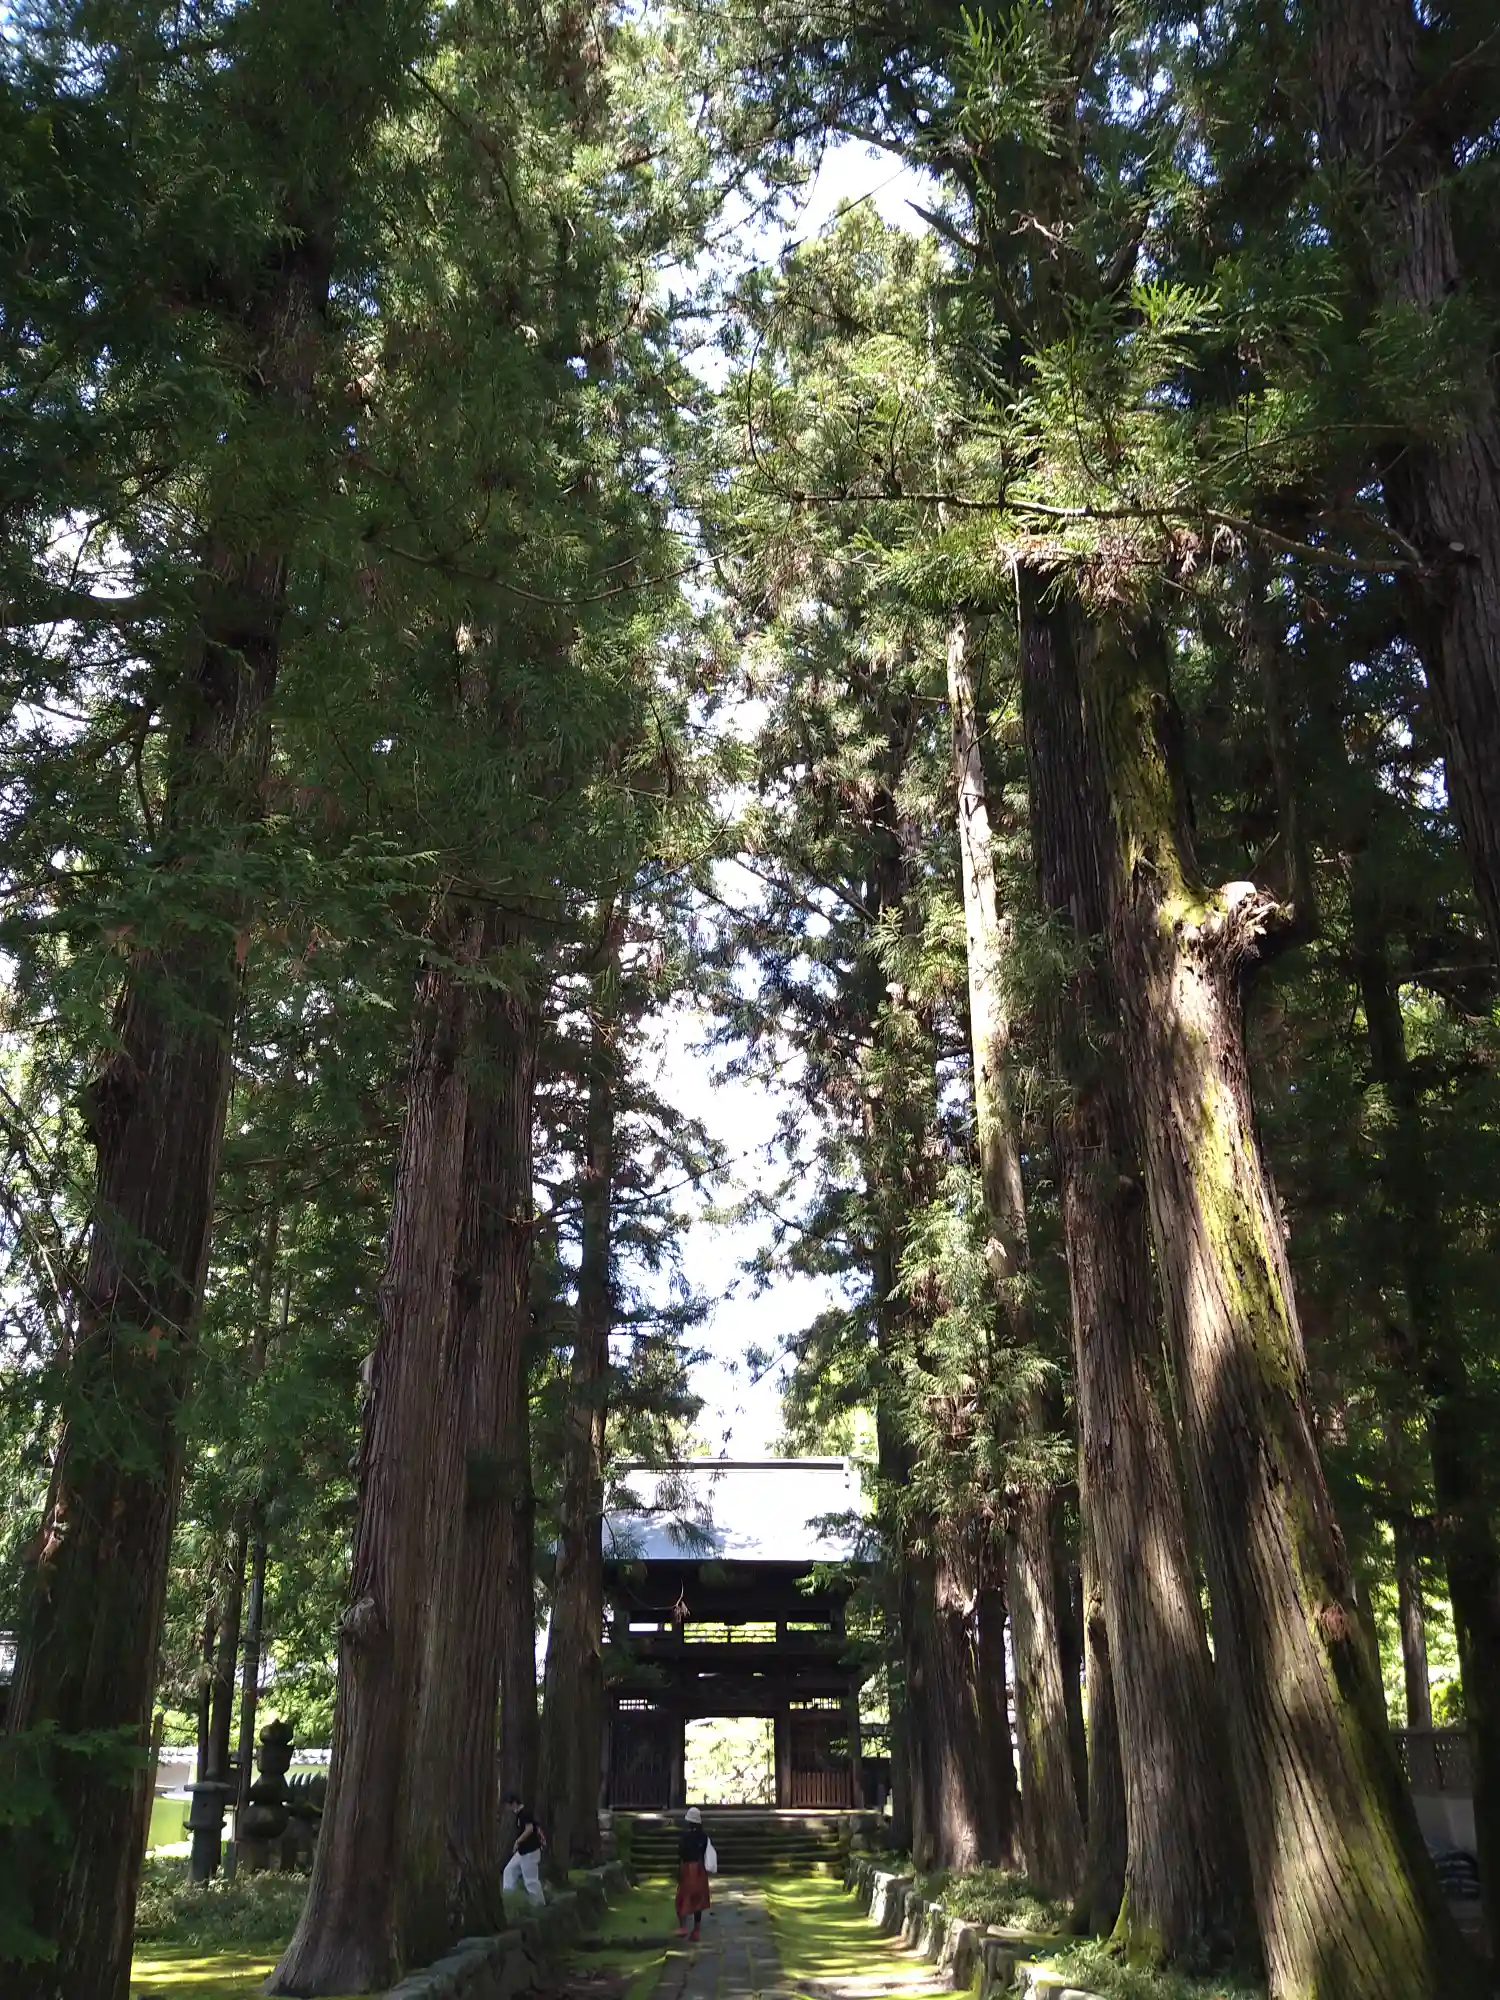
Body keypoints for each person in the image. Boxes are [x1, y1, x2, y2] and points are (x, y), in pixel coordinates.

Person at [501, 1791, 547, 1905]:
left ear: (513, 1803)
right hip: (522, 1852)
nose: (507, 1808)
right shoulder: (520, 1815)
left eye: (508, 1805)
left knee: (531, 1881)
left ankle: (539, 1905)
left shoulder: (524, 1813)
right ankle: (509, 1898)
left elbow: (529, 1829)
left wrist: (518, 1841)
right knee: (509, 1871)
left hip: (530, 1851)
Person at [675, 1805, 711, 1941]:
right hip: (700, 1869)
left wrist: (678, 1869)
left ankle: (683, 1926)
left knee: (682, 1897)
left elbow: (680, 1854)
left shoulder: (685, 1837)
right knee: (698, 1900)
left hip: (687, 1868)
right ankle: (696, 1930)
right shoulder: (704, 1837)